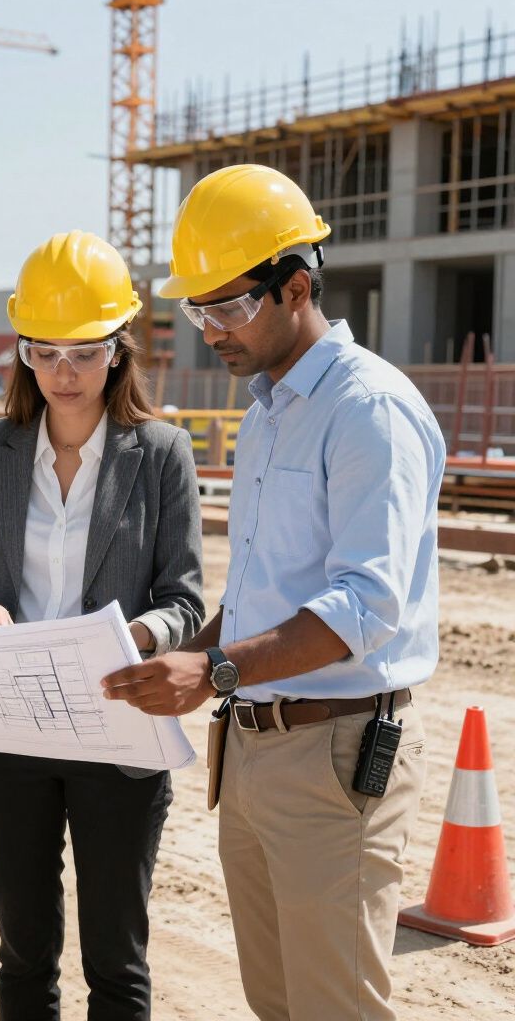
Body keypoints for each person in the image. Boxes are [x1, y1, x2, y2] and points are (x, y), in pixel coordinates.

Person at [102, 164, 446, 1021]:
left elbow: (364, 605)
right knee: (277, 1003)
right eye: (197, 309)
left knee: (336, 1006)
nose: (210, 330)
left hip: (334, 754)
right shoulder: (267, 411)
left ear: (296, 287)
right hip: (252, 746)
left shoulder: (367, 409)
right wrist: (182, 657)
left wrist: (213, 672)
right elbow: (261, 597)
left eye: (229, 307)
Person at [0, 230, 205, 1021]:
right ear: (21, 351)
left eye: (83, 352)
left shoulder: (161, 454)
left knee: (115, 960)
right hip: (9, 734)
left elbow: (184, 599)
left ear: (119, 350)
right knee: (23, 955)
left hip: (117, 728)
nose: (63, 372)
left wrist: (136, 640)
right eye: (43, 351)